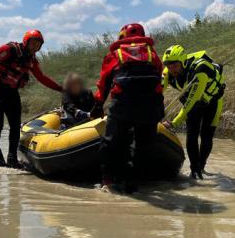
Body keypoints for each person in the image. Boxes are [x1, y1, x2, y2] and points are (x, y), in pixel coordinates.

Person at [0, 29, 62, 168]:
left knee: (15, 126)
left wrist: (61, 89)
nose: (35, 47)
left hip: (11, 92)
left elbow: (42, 78)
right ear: (26, 41)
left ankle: (12, 158)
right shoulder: (8, 49)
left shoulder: (32, 61)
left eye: (38, 45)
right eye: (33, 43)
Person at [93, 23, 164, 192]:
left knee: (111, 142)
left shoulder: (114, 55)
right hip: (150, 107)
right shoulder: (151, 54)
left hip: (123, 106)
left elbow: (104, 83)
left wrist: (98, 105)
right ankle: (134, 183)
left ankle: (108, 181)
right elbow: (159, 79)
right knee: (143, 145)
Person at [161, 45, 225, 179]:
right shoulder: (167, 73)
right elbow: (156, 92)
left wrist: (174, 122)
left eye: (175, 65)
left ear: (183, 62)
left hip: (212, 100)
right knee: (192, 133)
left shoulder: (200, 70)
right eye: (168, 65)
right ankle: (194, 171)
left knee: (206, 134)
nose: (172, 69)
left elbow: (191, 101)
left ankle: (201, 167)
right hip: (193, 97)